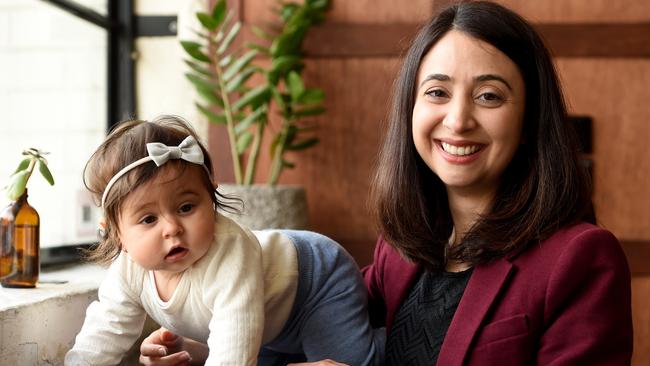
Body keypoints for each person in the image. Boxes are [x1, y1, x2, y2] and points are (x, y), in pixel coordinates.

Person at [140, 1, 633, 365]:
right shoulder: (402, 250)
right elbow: (307, 328)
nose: (457, 120)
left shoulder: (581, 258)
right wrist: (198, 347)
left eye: (489, 96)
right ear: (411, 110)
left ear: (529, 122)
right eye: (437, 92)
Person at [65, 116, 383, 365]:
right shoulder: (128, 272)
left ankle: (386, 343)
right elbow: (105, 331)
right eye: (149, 219)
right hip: (270, 321)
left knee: (345, 363)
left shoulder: (230, 252)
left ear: (211, 197)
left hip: (316, 282)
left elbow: (234, 351)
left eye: (187, 207)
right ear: (116, 233)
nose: (172, 228)